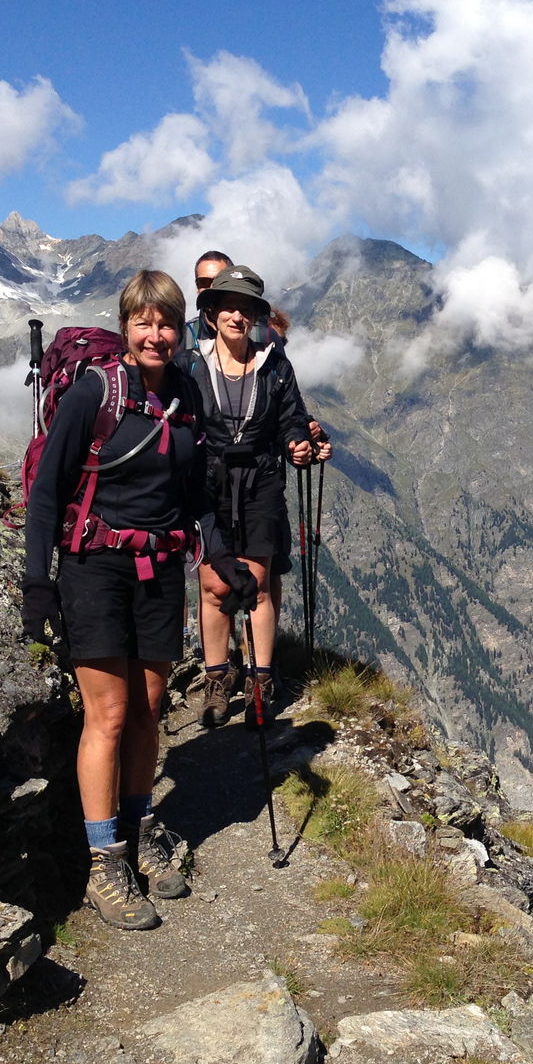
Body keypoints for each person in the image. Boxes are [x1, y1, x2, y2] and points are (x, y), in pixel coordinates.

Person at [21, 269, 256, 930]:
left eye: (166, 323)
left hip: (161, 572)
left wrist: (222, 557)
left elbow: (198, 496)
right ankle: (104, 862)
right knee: (112, 713)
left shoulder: (185, 396)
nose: (155, 334)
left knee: (151, 705)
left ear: (182, 330)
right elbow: (45, 496)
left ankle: (138, 822)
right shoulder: (94, 393)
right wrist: (39, 581)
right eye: (143, 322)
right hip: (94, 569)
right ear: (126, 327)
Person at [184, 264, 331, 728]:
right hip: (208, 484)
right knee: (213, 585)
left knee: (259, 583)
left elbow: (292, 417)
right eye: (227, 306)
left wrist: (297, 443)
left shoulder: (273, 364)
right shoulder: (191, 365)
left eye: (244, 308)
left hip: (262, 483)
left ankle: (260, 680)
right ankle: (217, 678)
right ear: (211, 314)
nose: (235, 315)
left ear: (254, 316)